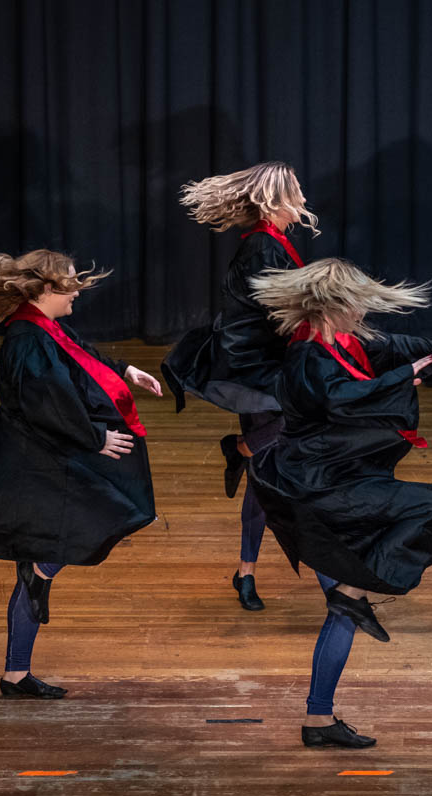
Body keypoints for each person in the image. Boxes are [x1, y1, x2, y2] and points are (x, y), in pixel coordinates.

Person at [245, 257, 432, 747]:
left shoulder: (342, 340)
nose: (364, 313)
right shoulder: (307, 355)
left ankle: (318, 718)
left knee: (343, 612)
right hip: (316, 491)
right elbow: (339, 400)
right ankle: (354, 591)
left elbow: (391, 346)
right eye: (358, 305)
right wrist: (402, 378)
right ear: (334, 306)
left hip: (336, 480)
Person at [0, 250, 161, 698]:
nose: (78, 293)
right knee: (103, 517)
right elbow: (46, 399)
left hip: (44, 457)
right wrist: (94, 438)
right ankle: (38, 579)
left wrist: (126, 370)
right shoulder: (27, 338)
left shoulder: (42, 326)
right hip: (35, 464)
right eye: (71, 285)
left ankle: (16, 674)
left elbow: (80, 358)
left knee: (60, 545)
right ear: (47, 289)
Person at [161, 161, 314, 611]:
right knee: (272, 459)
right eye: (296, 192)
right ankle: (242, 451)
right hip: (257, 368)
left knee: (267, 469)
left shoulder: (273, 242)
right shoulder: (262, 246)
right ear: (275, 200)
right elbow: (271, 315)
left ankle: (245, 571)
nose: (304, 199)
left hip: (269, 364)